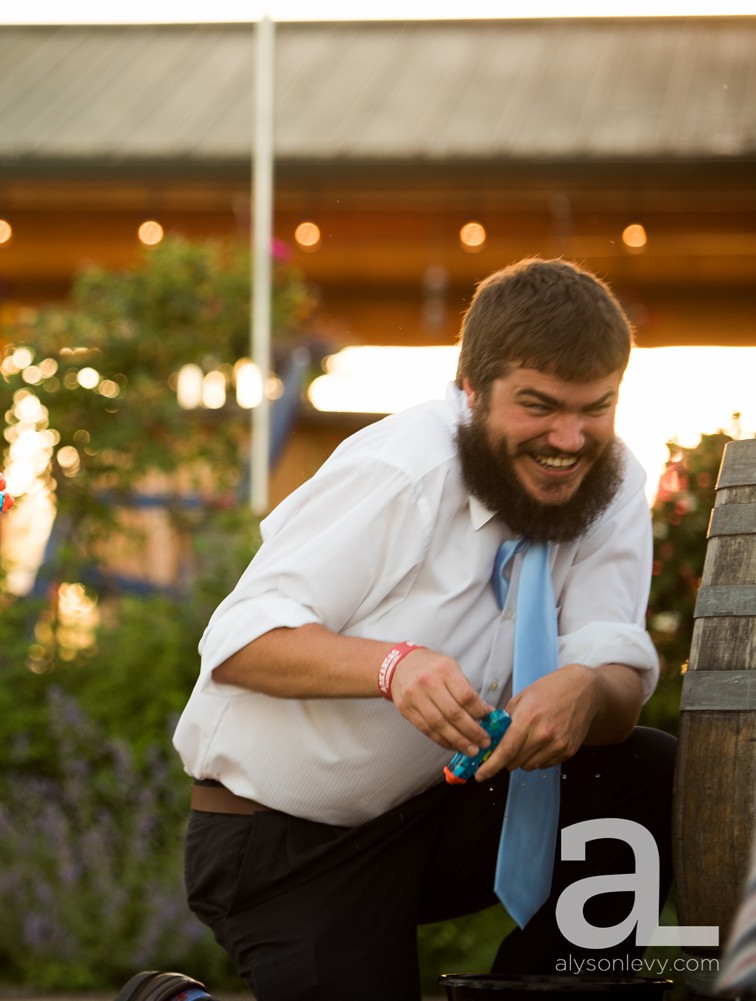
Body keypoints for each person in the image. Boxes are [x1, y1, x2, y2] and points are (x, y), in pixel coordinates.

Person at [174, 258, 675, 999]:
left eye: (595, 408)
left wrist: (586, 685)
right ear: (471, 391)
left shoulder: (616, 483)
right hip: (281, 839)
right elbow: (239, 640)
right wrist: (392, 667)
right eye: (539, 406)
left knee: (646, 769)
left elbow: (619, 681)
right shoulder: (401, 469)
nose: (570, 439)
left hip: (437, 812)